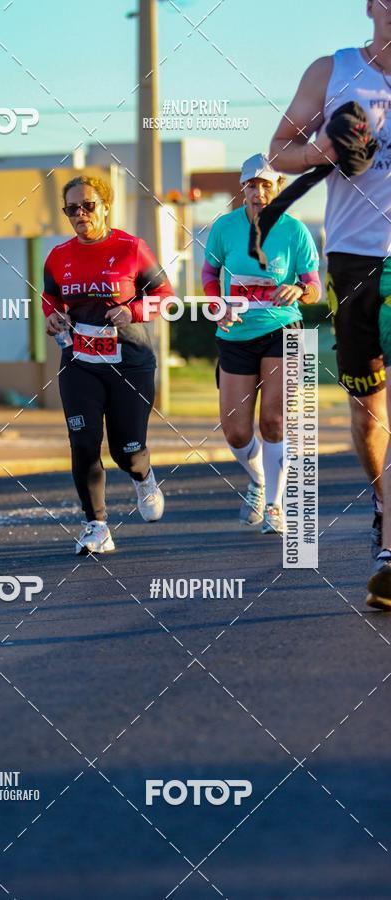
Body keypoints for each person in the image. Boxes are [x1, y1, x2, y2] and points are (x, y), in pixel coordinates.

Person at [269, 0, 391, 580]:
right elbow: (278, 151)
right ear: (371, 5)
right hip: (352, 262)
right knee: (369, 416)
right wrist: (322, 151)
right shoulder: (333, 70)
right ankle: (383, 504)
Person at [42, 174, 174, 554]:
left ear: (105, 206)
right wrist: (52, 318)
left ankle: (143, 476)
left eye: (88, 205)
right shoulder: (58, 256)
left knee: (126, 450)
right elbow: (51, 300)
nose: (80, 214)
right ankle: (96, 525)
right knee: (83, 442)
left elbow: (165, 298)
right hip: (80, 360)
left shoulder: (131, 249)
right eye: (72, 209)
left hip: (129, 362)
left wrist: (132, 310)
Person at [203, 153, 321, 535]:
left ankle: (274, 504)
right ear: (243, 190)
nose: (259, 192)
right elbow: (209, 271)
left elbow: (315, 287)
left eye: (266, 184)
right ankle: (258, 480)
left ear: (279, 189)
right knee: (235, 431)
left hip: (282, 330)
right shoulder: (224, 227)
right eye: (252, 185)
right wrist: (217, 302)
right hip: (235, 334)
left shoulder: (294, 230)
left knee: (273, 420)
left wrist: (300, 289)